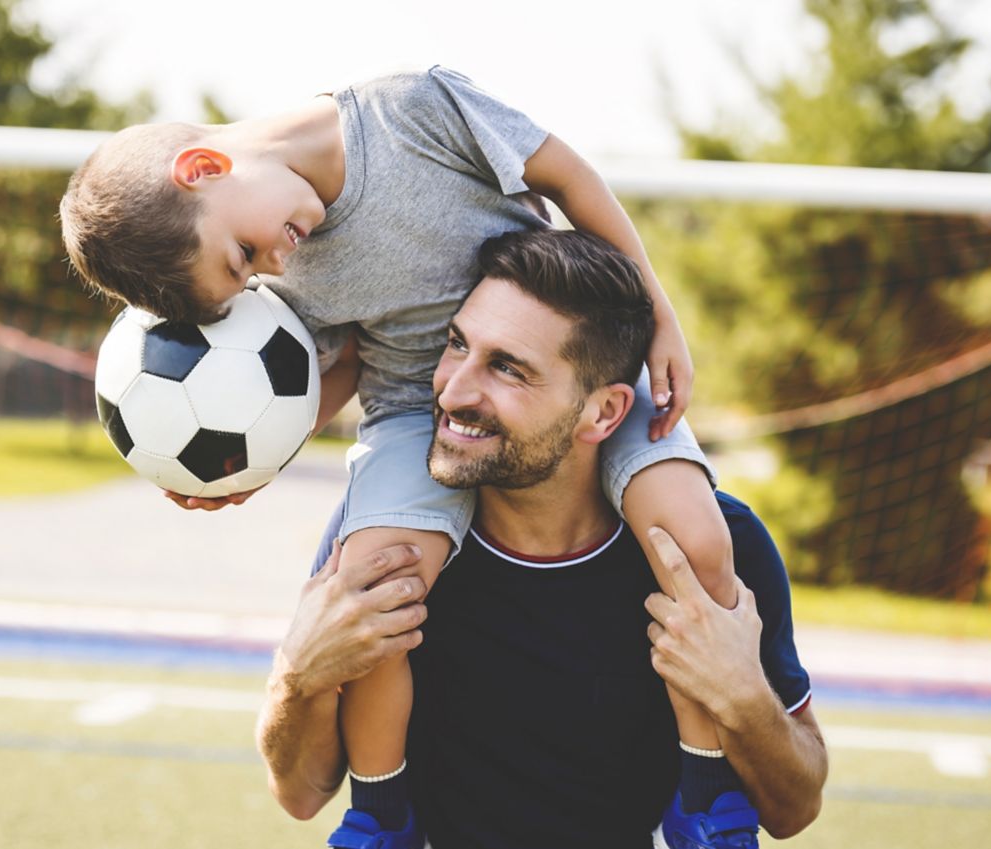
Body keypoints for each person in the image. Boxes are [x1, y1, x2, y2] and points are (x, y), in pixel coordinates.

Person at [62, 67, 744, 846]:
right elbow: (324, 372)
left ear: (203, 169)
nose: (269, 269)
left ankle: (704, 797)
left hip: (567, 379)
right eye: (249, 270)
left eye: (243, 252)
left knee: (694, 539)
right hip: (411, 420)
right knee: (375, 587)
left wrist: (658, 316)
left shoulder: (412, 111)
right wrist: (245, 470)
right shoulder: (285, 277)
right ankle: (382, 813)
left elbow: (567, 176)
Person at [257, 229, 828, 848]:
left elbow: (794, 808)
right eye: (457, 345)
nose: (453, 390)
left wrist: (745, 698)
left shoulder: (715, 543)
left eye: (508, 369)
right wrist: (297, 677)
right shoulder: (385, 542)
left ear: (605, 413)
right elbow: (300, 793)